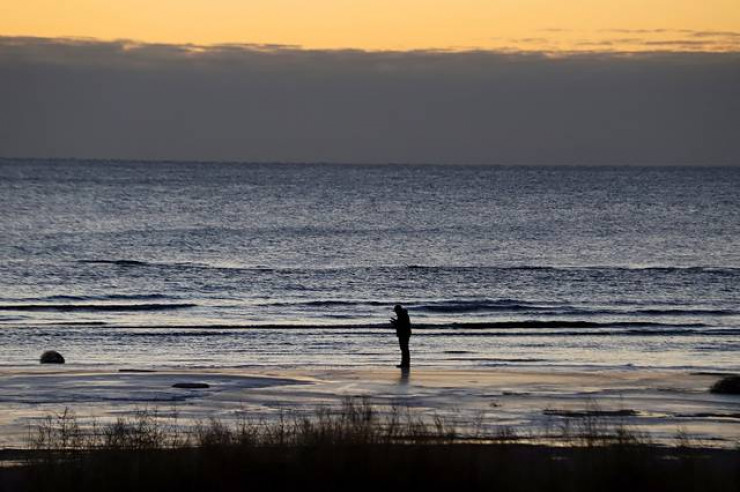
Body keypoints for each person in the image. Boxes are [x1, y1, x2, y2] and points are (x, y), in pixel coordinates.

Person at [390, 304, 411, 368]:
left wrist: (394, 323)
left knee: (404, 349)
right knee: (405, 349)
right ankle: (405, 363)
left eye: (396, 311)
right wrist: (395, 321)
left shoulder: (401, 315)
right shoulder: (403, 314)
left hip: (403, 334)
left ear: (398, 310)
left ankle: (405, 364)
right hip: (405, 333)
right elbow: (402, 323)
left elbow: (401, 325)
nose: (396, 313)